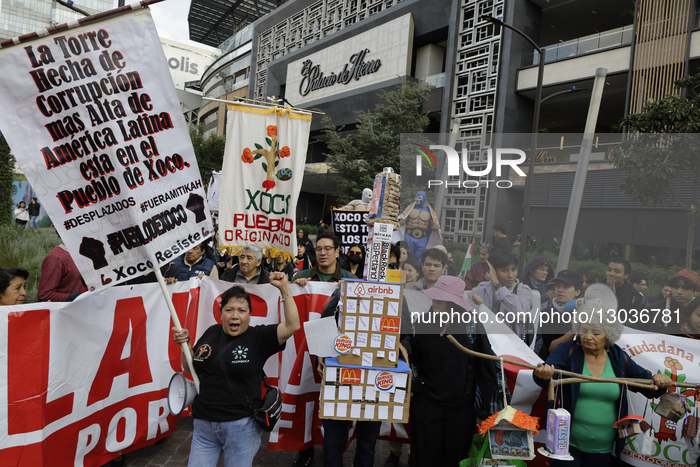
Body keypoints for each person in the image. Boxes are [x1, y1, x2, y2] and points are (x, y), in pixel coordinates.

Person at [172, 275, 300, 467]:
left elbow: (293, 326)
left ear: (249, 314)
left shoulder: (259, 337)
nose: (235, 316)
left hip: (240, 427)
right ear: (221, 312)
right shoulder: (211, 332)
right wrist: (186, 345)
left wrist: (284, 290)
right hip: (203, 425)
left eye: (242, 310)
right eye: (229, 310)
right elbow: (189, 367)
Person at [533, 305, 672, 467]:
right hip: (564, 447)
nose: (588, 336)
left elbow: (649, 387)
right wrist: (542, 374)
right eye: (584, 330)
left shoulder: (618, 357)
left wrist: (661, 382)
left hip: (603, 452)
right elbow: (544, 376)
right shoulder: (567, 350)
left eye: (596, 332)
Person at [402, 275, 508, 466]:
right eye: (434, 298)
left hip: (461, 409)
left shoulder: (473, 327)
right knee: (423, 459)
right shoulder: (424, 322)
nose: (435, 303)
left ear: (455, 303)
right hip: (427, 405)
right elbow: (415, 358)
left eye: (441, 300)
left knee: (455, 459)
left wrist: (494, 410)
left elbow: (488, 367)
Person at [291, 233, 355, 466]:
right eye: (318, 248)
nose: (322, 252)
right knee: (305, 399)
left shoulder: (350, 278)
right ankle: (304, 449)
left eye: (328, 248)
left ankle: (334, 449)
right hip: (306, 350)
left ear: (338, 252)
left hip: (338, 354)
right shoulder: (303, 276)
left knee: (334, 406)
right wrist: (294, 289)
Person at [469, 249, 535, 343]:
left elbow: (520, 314)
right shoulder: (480, 290)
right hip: (485, 346)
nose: (510, 275)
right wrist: (478, 306)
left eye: (513, 269)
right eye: (504, 270)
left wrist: (498, 285)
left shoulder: (523, 290)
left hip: (510, 347)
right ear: (493, 271)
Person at [538, 269, 584, 360]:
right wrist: (575, 330)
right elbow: (552, 347)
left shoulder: (586, 314)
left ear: (577, 291)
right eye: (558, 286)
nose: (560, 290)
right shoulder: (547, 313)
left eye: (566, 287)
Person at [400, 191, 442, 260]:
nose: (417, 199)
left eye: (419, 198)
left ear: (424, 198)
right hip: (409, 236)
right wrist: (401, 221)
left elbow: (433, 226)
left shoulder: (430, 211)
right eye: (416, 198)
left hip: (422, 239)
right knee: (407, 256)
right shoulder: (410, 208)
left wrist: (435, 227)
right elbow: (403, 219)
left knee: (420, 258)